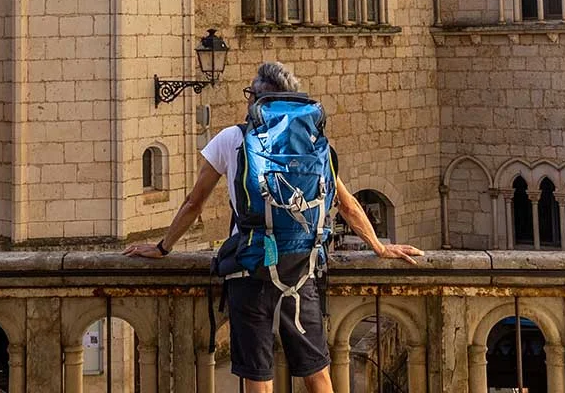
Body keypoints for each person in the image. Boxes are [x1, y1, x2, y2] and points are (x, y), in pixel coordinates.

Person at [126, 61, 423, 392]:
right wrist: (379, 247)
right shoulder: (311, 142)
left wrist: (163, 246)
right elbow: (347, 204)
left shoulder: (231, 138)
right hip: (301, 269)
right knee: (317, 372)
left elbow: (194, 203)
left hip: (250, 270)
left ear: (255, 99)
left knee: (258, 376)